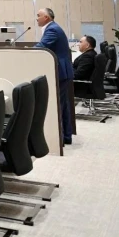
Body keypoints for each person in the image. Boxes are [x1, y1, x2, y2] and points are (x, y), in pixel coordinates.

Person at [34, 8, 74, 144]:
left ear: (46, 17)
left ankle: (60, 138)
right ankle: (66, 136)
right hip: (63, 71)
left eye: (38, 15)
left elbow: (42, 46)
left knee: (59, 105)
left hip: (60, 71)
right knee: (63, 105)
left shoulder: (52, 29)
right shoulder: (54, 28)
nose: (37, 18)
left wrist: (26, 52)